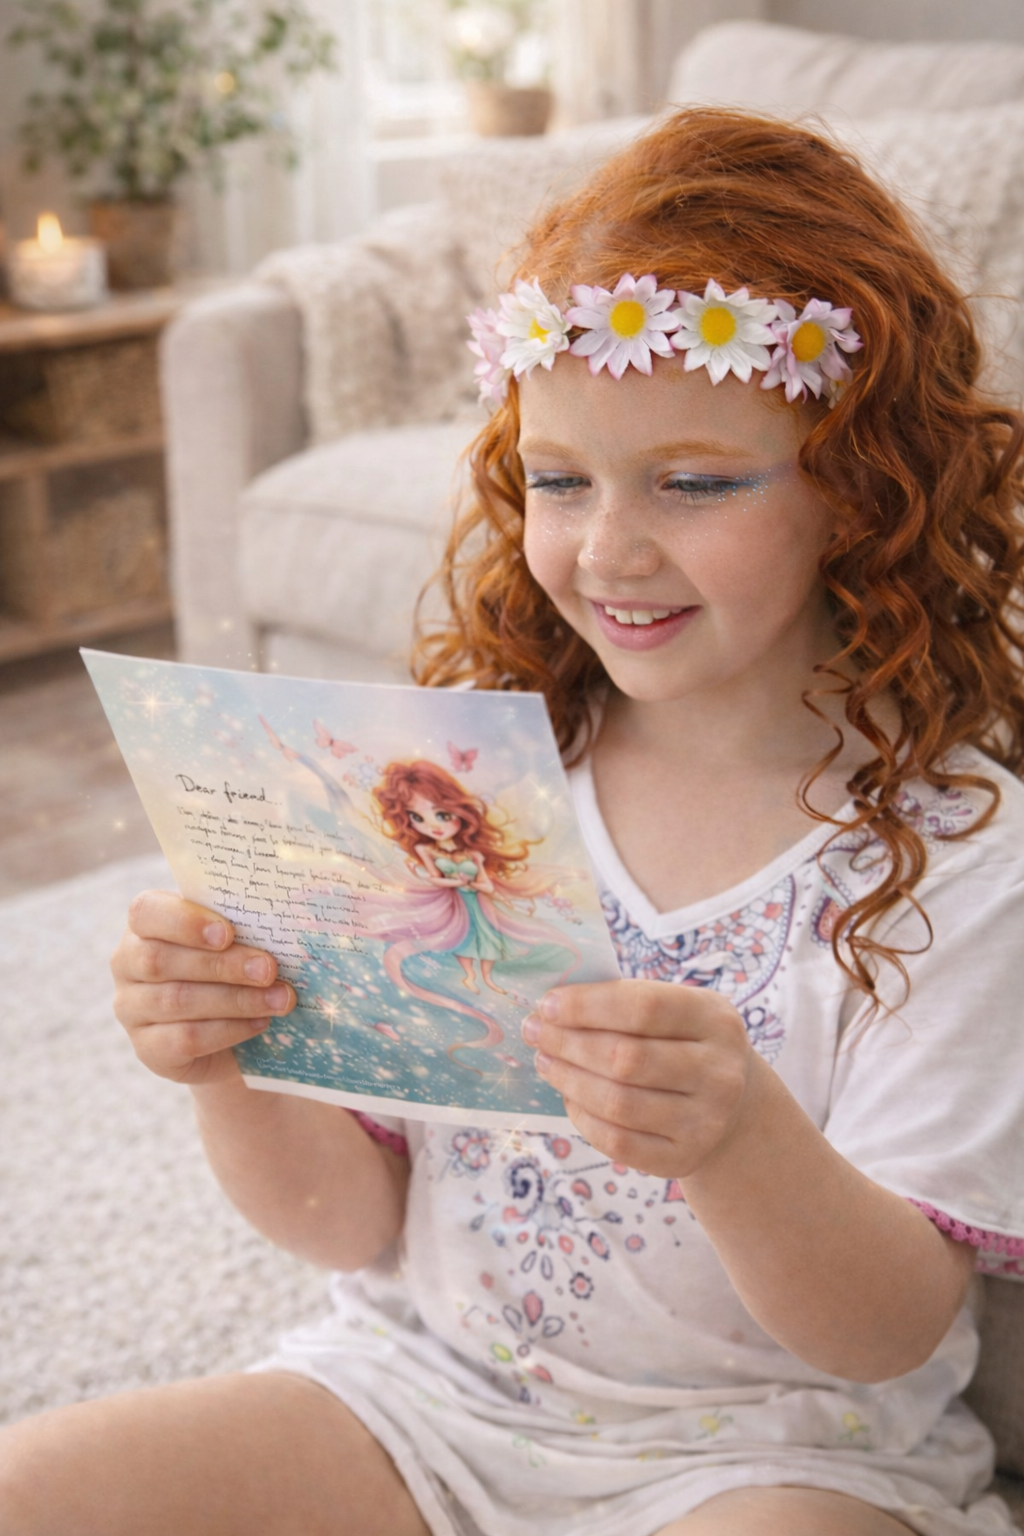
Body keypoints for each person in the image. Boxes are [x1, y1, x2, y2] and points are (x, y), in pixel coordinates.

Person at [3, 107, 1024, 1536]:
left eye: (694, 481)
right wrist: (226, 1065)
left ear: (862, 488)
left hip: (773, 1458)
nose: (607, 547)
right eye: (560, 479)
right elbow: (343, 1228)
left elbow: (891, 1332)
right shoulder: (462, 785)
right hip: (419, 1402)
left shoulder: (964, 857)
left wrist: (739, 1144)